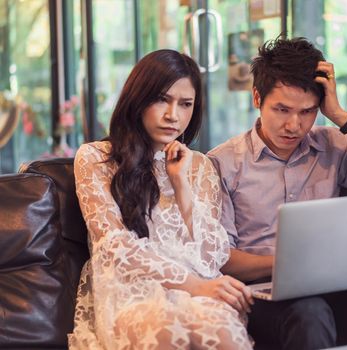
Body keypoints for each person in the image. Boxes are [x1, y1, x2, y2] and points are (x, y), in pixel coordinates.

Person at [207, 37, 347, 349]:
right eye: (282, 110)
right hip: (262, 294)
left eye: (308, 112)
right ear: (257, 98)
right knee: (310, 314)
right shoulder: (223, 163)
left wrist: (339, 115)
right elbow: (223, 258)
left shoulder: (332, 144)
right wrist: (290, 263)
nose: (294, 125)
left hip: (335, 284)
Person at [68, 49, 253, 349]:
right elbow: (115, 246)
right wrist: (199, 286)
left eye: (185, 104)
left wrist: (181, 185)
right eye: (162, 100)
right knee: (168, 330)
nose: (173, 115)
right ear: (138, 99)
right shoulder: (95, 158)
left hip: (195, 293)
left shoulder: (201, 167)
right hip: (130, 291)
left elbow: (212, 258)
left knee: (222, 332)